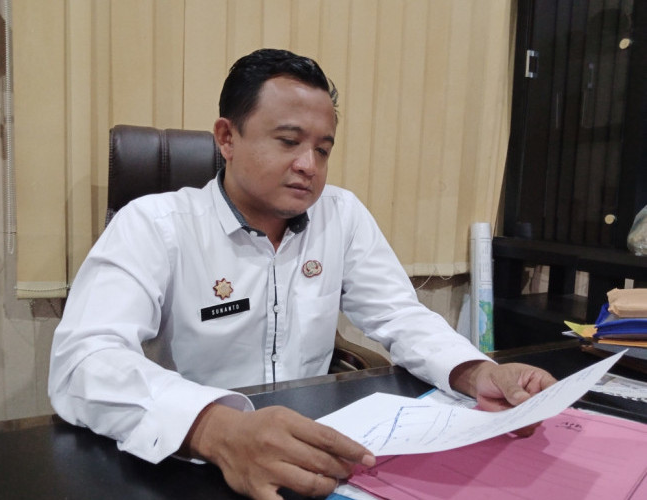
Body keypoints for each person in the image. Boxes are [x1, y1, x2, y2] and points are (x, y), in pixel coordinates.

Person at [49, 48, 556, 500]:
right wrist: (217, 429)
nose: (309, 165)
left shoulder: (342, 214)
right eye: (289, 141)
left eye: (323, 149)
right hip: (191, 455)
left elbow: (400, 316)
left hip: (314, 450)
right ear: (226, 137)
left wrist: (479, 373)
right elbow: (85, 360)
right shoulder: (155, 224)